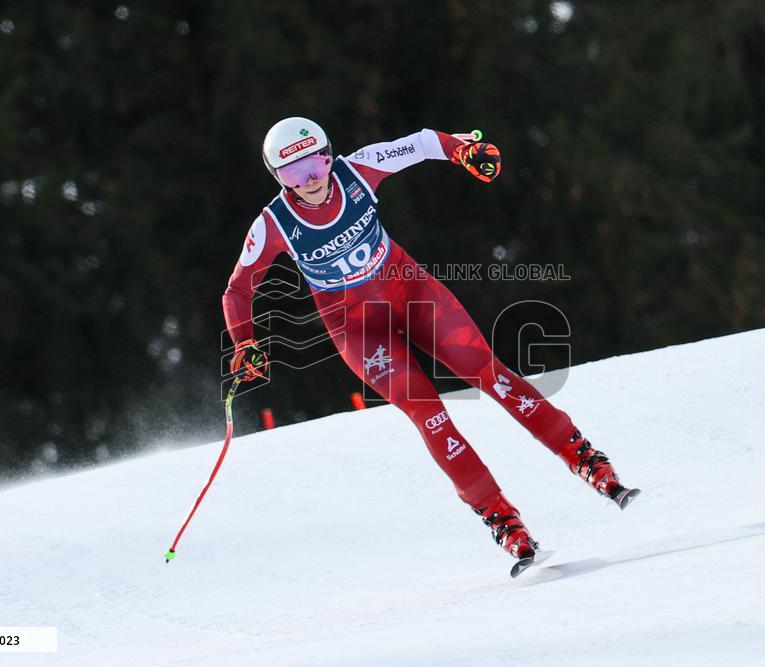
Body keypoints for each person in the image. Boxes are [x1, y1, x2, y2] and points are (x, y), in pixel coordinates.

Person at [223, 117, 639, 566]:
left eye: (316, 164)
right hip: (359, 330)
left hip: (412, 292)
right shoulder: (273, 224)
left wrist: (461, 151)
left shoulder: (358, 170)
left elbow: (420, 144)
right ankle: (501, 519)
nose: (309, 179)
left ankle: (587, 461)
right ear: (277, 178)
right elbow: (238, 290)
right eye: (292, 173)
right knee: (431, 416)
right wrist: (244, 342)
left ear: (329, 155)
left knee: (491, 375)